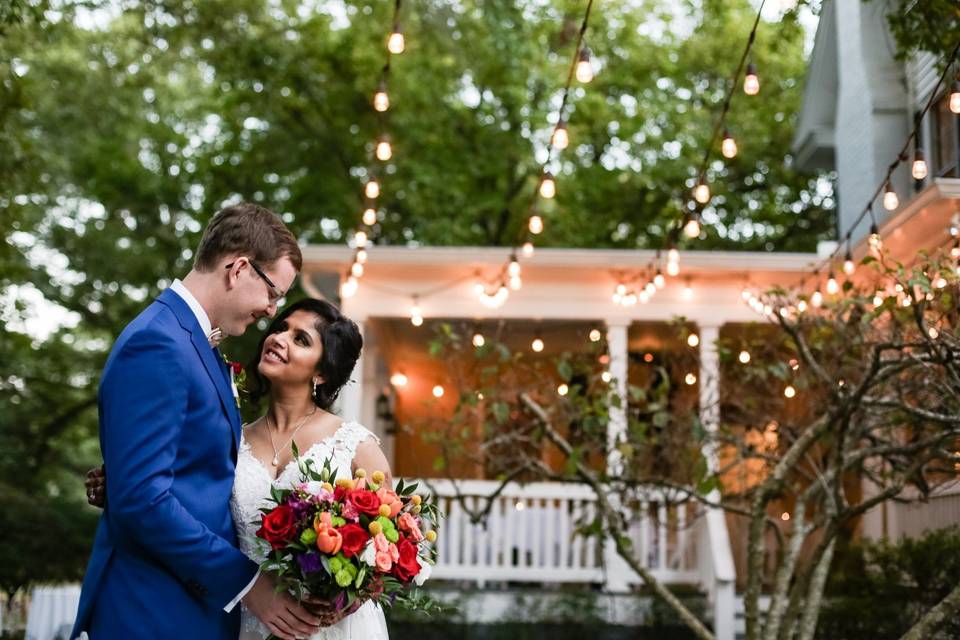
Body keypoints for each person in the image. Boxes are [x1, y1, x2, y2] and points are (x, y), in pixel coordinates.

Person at [73, 203, 323, 640]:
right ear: (239, 267)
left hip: (188, 608)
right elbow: (143, 500)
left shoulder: (194, 342)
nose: (271, 310)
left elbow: (182, 471)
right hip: (152, 611)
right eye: (272, 292)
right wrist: (248, 583)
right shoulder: (158, 342)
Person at [86, 298, 393, 639]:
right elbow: (186, 495)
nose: (279, 338)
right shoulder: (231, 437)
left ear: (322, 372)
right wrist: (120, 484)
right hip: (246, 618)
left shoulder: (355, 446)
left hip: (325, 628)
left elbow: (390, 554)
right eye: (281, 329)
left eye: (300, 339)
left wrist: (342, 602)